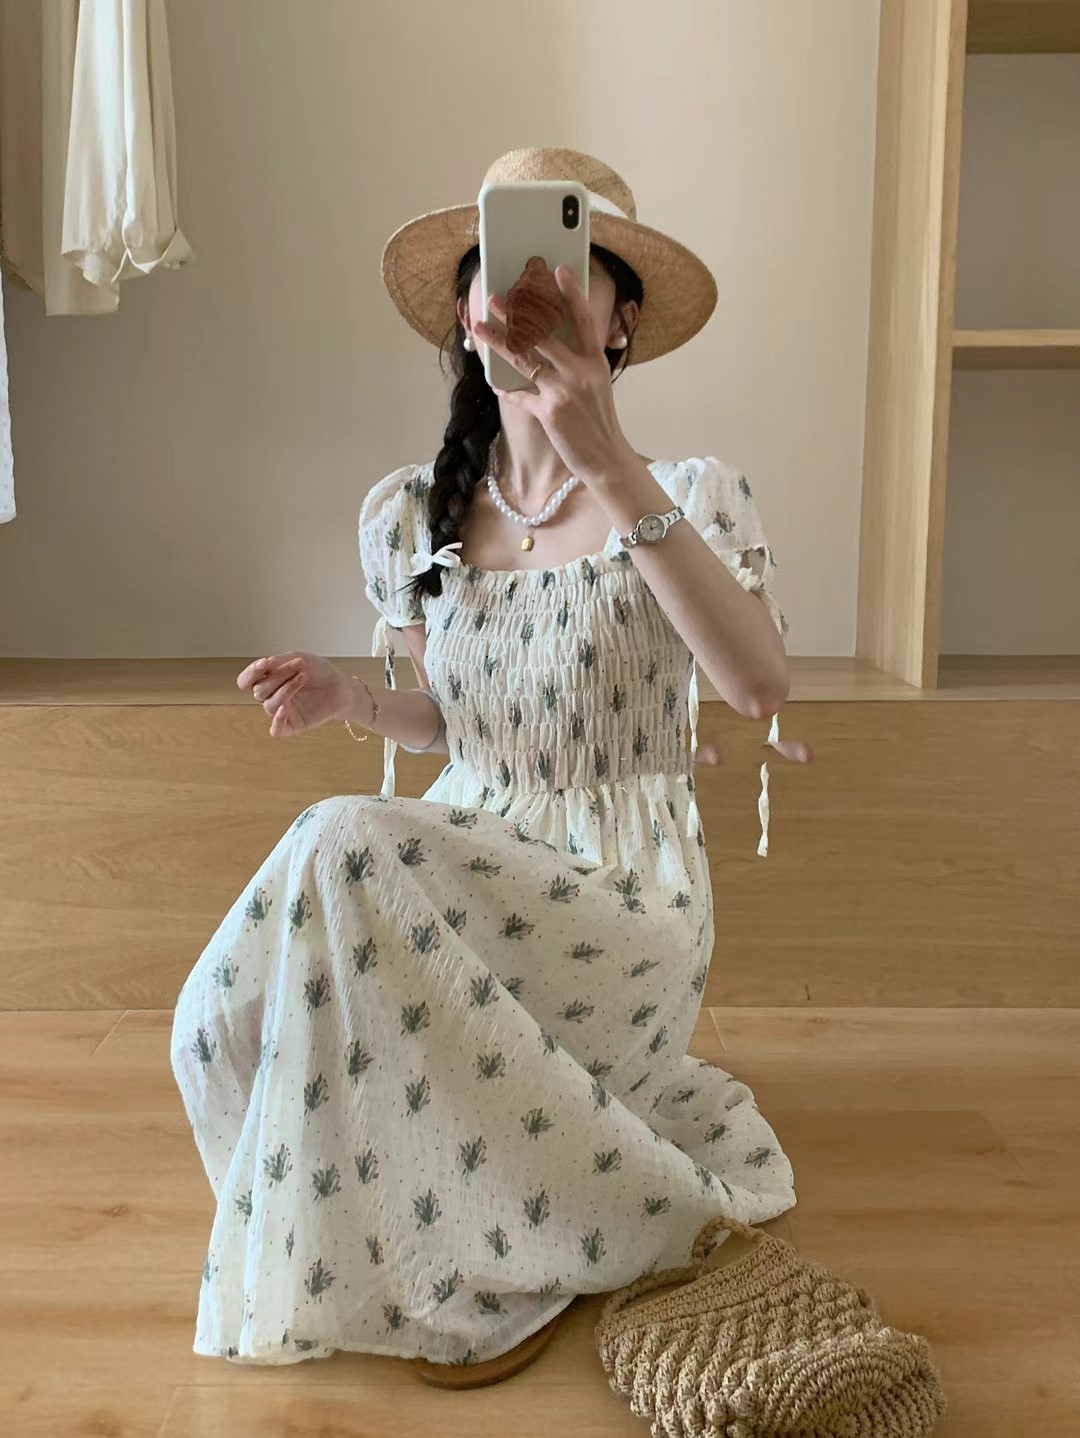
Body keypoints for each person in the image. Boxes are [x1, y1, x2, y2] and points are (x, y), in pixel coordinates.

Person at [170, 147, 811, 1388]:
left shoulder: (687, 494)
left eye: (567, 270)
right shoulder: (415, 515)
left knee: (342, 838)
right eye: (500, 269)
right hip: (465, 861)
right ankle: (376, 1227)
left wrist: (605, 459)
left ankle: (465, 1270)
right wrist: (357, 700)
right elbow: (453, 730)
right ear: (467, 320)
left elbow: (757, 686)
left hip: (621, 900)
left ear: (622, 322)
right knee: (217, 1020)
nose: (526, 293)